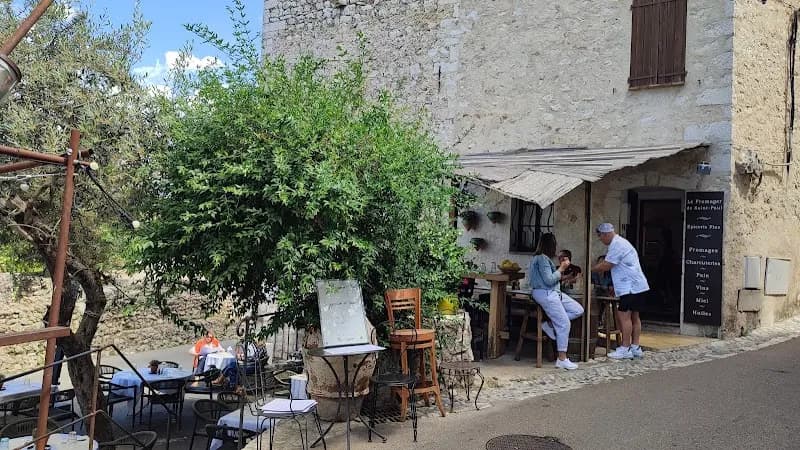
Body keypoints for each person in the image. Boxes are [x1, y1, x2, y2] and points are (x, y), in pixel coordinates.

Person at [592, 223, 650, 360]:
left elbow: (607, 265)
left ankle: (625, 348)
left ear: (606, 234)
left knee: (623, 316)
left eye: (600, 237)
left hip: (629, 287)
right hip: (639, 285)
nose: (601, 240)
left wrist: (591, 269)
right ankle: (635, 347)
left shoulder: (616, 245)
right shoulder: (622, 242)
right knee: (635, 317)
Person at [529, 233, 585, 370]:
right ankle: (562, 358)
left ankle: (549, 325)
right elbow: (549, 280)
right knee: (564, 323)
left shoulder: (542, 259)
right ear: (550, 245)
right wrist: (561, 268)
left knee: (578, 309)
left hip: (553, 292)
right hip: (546, 293)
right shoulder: (541, 259)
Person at [42, 306, 66, 385]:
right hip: (56, 338)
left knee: (57, 359)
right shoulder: (51, 316)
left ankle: (54, 378)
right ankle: (54, 379)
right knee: (56, 359)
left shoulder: (53, 315)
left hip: (57, 337)